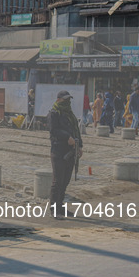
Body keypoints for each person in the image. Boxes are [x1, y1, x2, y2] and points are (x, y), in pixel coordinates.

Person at [47, 90, 83, 218]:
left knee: (65, 181)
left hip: (71, 151)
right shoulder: (54, 113)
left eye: (69, 100)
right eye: (65, 100)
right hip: (58, 151)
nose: (67, 102)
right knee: (58, 181)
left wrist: (80, 146)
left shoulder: (70, 114)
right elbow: (53, 131)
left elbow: (76, 130)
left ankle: (60, 207)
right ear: (58, 100)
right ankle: (54, 209)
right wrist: (67, 137)